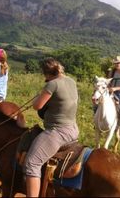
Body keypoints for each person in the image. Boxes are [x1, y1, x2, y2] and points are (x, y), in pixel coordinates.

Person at [24, 58, 79, 197]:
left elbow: (37, 106)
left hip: (58, 131)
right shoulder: (71, 81)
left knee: (32, 163)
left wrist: (41, 94)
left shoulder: (52, 84)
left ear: (46, 73)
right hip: (73, 129)